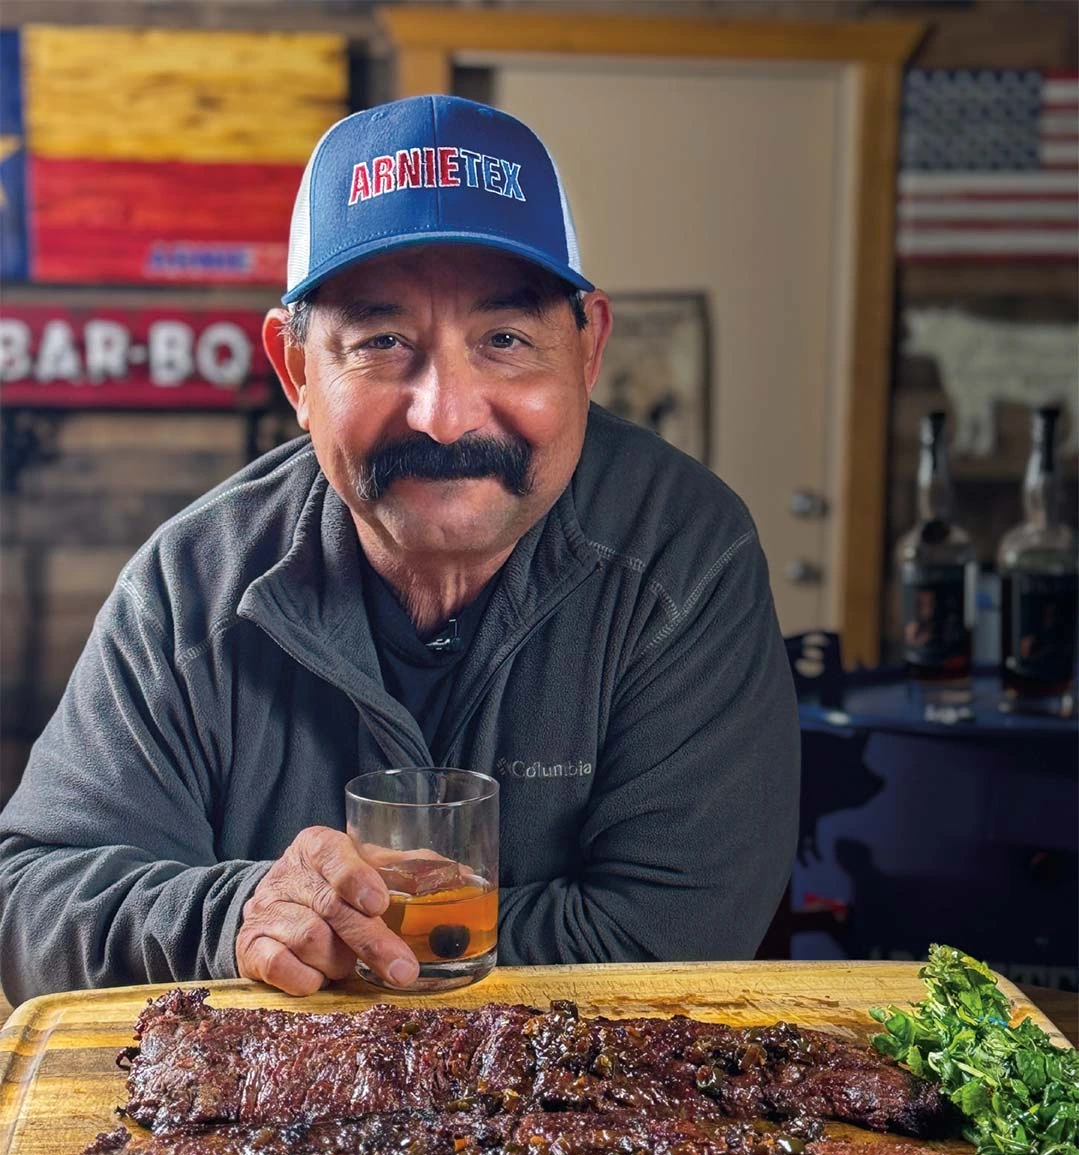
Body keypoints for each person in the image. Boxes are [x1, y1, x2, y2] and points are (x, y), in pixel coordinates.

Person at [0, 95, 799, 1005]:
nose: (445, 413)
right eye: (382, 342)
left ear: (587, 350)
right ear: (297, 371)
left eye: (504, 340)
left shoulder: (684, 558)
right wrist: (240, 915)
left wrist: (353, 944)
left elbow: (678, 934)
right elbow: (33, 904)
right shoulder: (188, 587)